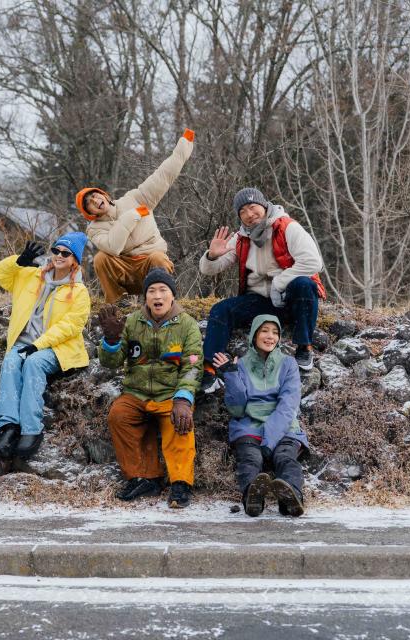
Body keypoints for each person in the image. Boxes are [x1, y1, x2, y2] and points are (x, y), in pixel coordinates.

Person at [96, 268, 203, 508]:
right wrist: (111, 342)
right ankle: (144, 477)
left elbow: (193, 365)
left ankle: (180, 483)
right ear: (145, 297)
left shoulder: (187, 325)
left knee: (181, 423)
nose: (157, 296)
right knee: (119, 416)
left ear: (172, 296)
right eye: (152, 291)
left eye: (163, 290)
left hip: (170, 393)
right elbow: (110, 363)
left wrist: (184, 398)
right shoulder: (132, 321)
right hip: (137, 392)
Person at [199, 187, 325, 391]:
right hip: (259, 302)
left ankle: (304, 346)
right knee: (221, 310)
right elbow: (210, 270)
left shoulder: (287, 227)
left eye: (252, 207)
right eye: (243, 212)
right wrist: (212, 256)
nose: (249, 214)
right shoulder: (241, 238)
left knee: (305, 285)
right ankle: (210, 370)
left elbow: (313, 262)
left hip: (289, 299)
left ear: (264, 206)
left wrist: (279, 283)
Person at [0, 232, 91, 461]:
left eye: (65, 253)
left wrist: (38, 346)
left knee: (33, 364)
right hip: (23, 343)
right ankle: (8, 427)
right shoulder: (32, 275)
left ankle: (31, 429)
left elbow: (70, 327)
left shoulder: (79, 291)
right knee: (10, 361)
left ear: (75, 259)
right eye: (56, 250)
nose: (59, 255)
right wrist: (18, 262)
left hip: (56, 348)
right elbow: (0, 275)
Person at [76, 129, 196, 303]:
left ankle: (163, 301)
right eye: (88, 203)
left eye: (94, 196)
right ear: (90, 213)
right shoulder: (94, 229)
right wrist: (131, 216)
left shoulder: (135, 198)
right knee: (101, 258)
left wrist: (184, 146)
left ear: (104, 195)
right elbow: (114, 247)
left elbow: (163, 176)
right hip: (125, 272)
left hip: (151, 265)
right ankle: (117, 303)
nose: (94, 201)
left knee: (158, 257)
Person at [213, 315, 308, 517]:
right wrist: (231, 374)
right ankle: (252, 498)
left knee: (286, 458)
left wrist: (269, 440)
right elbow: (238, 409)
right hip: (248, 425)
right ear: (254, 335)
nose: (270, 336)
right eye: (265, 330)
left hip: (284, 426)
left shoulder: (289, 364)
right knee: (250, 458)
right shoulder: (242, 364)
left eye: (275, 332)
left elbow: (288, 404)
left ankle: (291, 498)